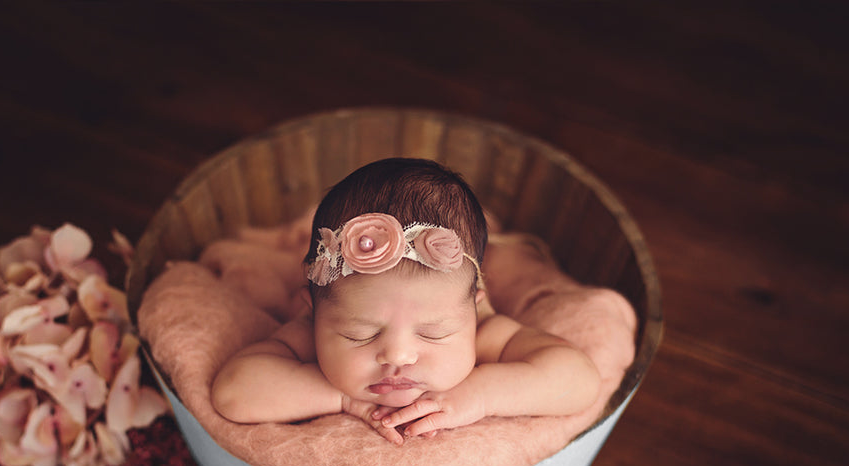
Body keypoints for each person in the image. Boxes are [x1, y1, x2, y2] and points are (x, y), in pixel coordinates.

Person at [211, 158, 600, 445]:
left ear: (474, 308)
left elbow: (579, 379)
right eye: (359, 335)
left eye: (434, 333)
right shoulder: (307, 335)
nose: (397, 355)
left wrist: (481, 394)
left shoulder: (484, 333)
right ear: (313, 314)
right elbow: (233, 391)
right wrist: (342, 398)